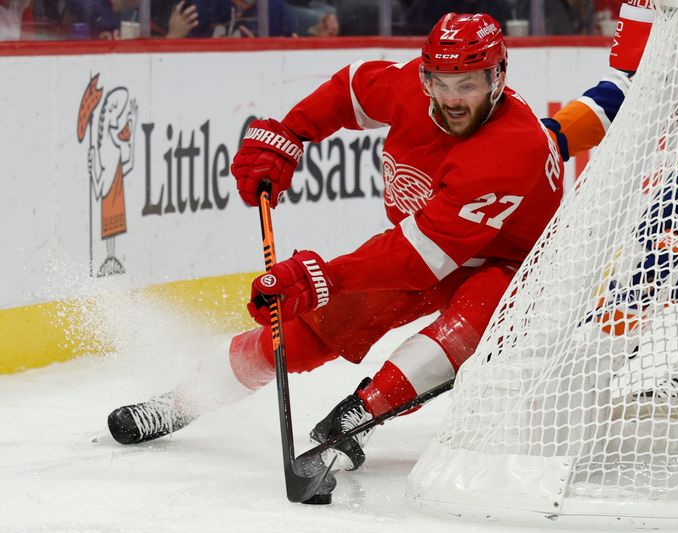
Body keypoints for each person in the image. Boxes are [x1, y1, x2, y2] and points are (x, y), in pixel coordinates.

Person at [106, 12, 568, 473]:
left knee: (464, 327)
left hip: (511, 266)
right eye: (440, 82)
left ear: (497, 77)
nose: (451, 99)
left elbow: (420, 259)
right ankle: (183, 400)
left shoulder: (511, 148)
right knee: (305, 336)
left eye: (466, 84)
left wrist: (323, 275)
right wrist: (291, 133)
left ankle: (361, 414)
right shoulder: (412, 88)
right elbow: (351, 90)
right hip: (426, 245)